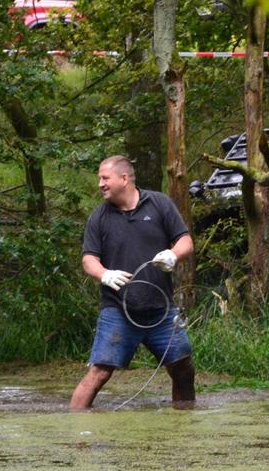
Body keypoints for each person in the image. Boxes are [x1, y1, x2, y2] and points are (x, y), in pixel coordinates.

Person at [71, 156, 196, 410]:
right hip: (118, 310)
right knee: (99, 373)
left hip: (161, 311)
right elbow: (88, 260)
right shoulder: (99, 217)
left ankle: (184, 419)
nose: (100, 184)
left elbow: (186, 242)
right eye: (99, 178)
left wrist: (173, 255)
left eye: (105, 178)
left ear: (124, 178)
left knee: (183, 368)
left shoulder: (159, 204)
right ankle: (73, 424)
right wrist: (104, 274)